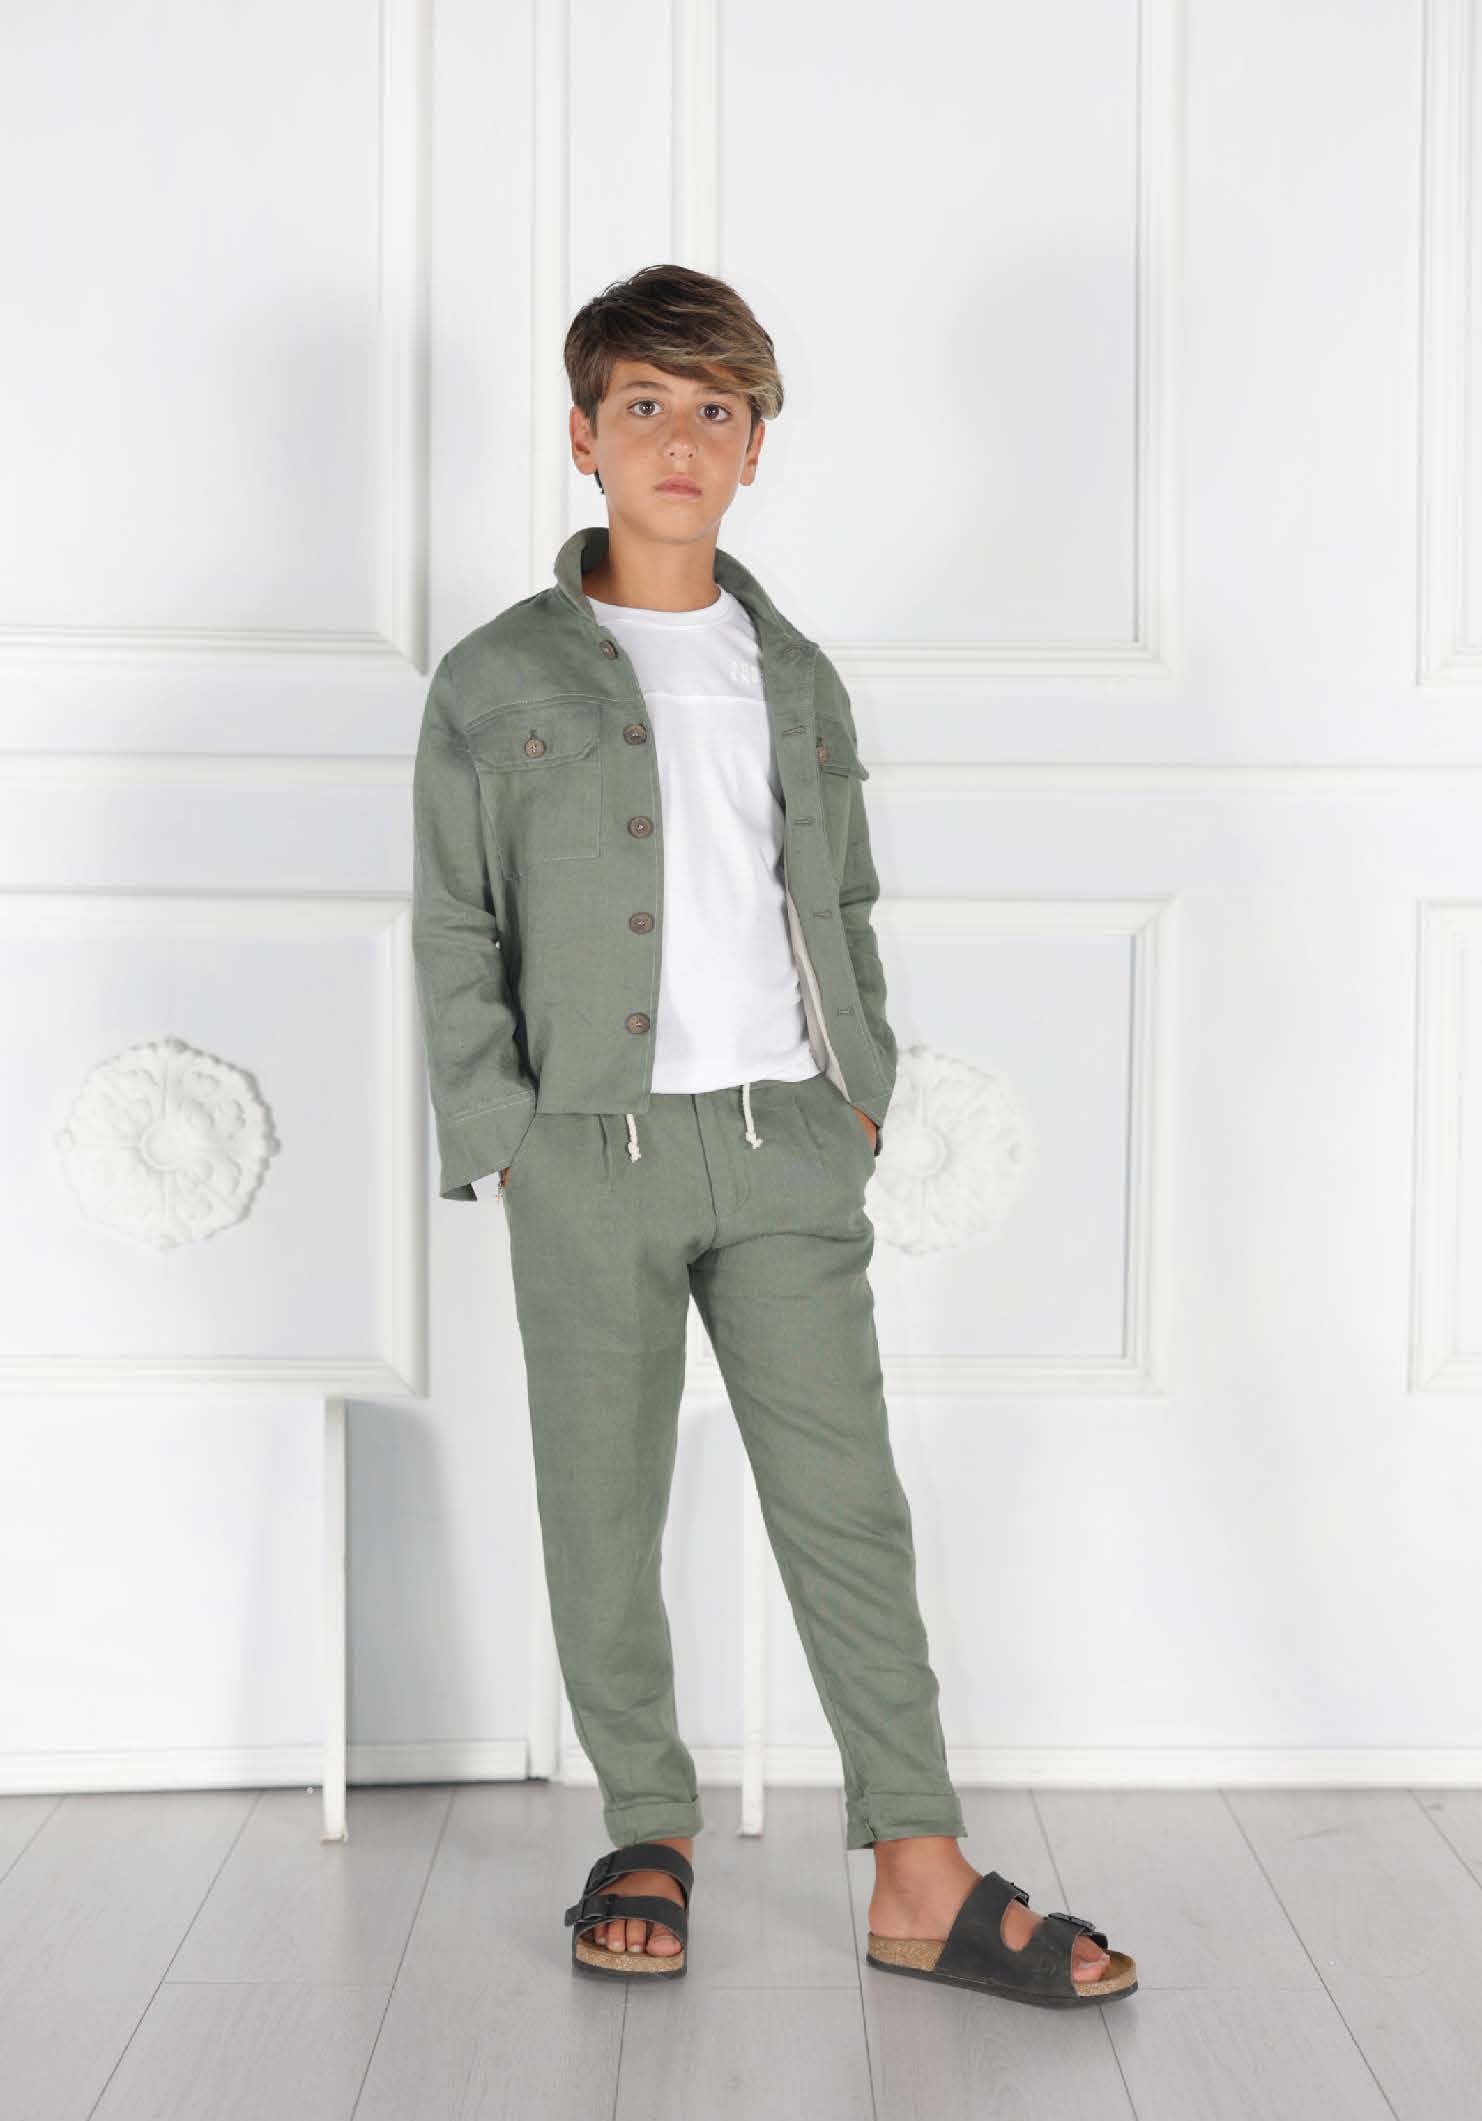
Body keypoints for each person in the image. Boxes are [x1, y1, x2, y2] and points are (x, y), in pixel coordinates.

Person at [410, 263, 1135, 2008]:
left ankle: (917, 1865)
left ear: (754, 449)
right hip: (587, 1150)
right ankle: (643, 1829)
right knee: (603, 1502)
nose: (680, 438)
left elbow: (842, 896)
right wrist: (503, 1130)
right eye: (644, 405)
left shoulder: (790, 671)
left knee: (845, 1501)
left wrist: (853, 1088)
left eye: (714, 410)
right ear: (582, 436)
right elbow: (452, 916)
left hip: (786, 1141)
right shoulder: (494, 674)